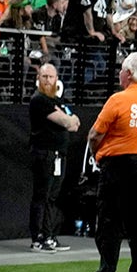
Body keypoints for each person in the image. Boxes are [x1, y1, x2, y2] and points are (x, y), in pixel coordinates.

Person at [73, 52, 137, 272]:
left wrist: (97, 155)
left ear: (129, 73)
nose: (119, 74)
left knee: (109, 222)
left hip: (119, 166)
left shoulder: (118, 100)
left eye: (122, 70)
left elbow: (94, 134)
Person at [29, 63, 79, 253]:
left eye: (51, 77)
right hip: (44, 154)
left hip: (59, 155)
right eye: (44, 77)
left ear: (57, 78)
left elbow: (75, 124)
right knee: (42, 196)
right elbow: (67, 121)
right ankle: (38, 238)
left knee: (52, 197)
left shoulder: (57, 100)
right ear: (39, 79)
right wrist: (69, 120)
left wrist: (70, 120)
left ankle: (49, 235)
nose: (48, 80)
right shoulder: (39, 100)